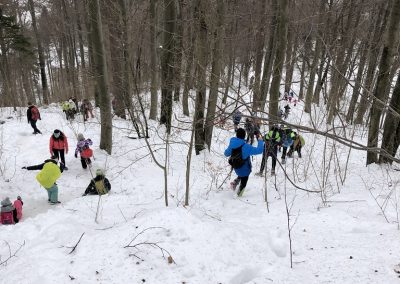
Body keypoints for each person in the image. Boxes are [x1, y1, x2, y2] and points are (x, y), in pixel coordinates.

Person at [224, 128, 264, 197]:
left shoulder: (232, 143)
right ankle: (239, 194)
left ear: (236, 135)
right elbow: (259, 150)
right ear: (244, 136)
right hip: (244, 169)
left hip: (236, 167)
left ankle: (235, 182)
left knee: (241, 173)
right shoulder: (246, 147)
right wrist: (260, 141)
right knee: (244, 179)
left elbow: (226, 153)